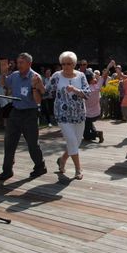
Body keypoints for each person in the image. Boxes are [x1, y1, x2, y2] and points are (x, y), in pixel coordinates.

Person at [0, 53, 47, 180]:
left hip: (30, 113)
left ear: (29, 63)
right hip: (16, 111)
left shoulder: (35, 77)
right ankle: (7, 170)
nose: (18, 65)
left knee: (32, 144)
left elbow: (38, 100)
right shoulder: (14, 75)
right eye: (18, 62)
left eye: (21, 63)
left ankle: (40, 166)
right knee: (9, 142)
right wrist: (3, 73)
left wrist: (35, 87)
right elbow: (4, 85)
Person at [48, 51, 90, 180]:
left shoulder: (81, 76)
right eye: (63, 64)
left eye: (69, 63)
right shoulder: (56, 76)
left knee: (76, 142)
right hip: (62, 114)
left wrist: (76, 91)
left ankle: (62, 159)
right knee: (71, 140)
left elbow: (87, 94)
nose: (66, 66)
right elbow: (46, 90)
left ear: (74, 64)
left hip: (79, 114)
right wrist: (35, 85)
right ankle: (78, 169)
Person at [84, 68, 105, 143]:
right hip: (97, 113)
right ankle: (94, 132)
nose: (95, 79)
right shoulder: (97, 87)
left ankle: (97, 134)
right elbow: (103, 77)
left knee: (85, 136)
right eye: (94, 78)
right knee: (89, 123)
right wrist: (109, 66)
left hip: (87, 115)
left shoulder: (84, 90)